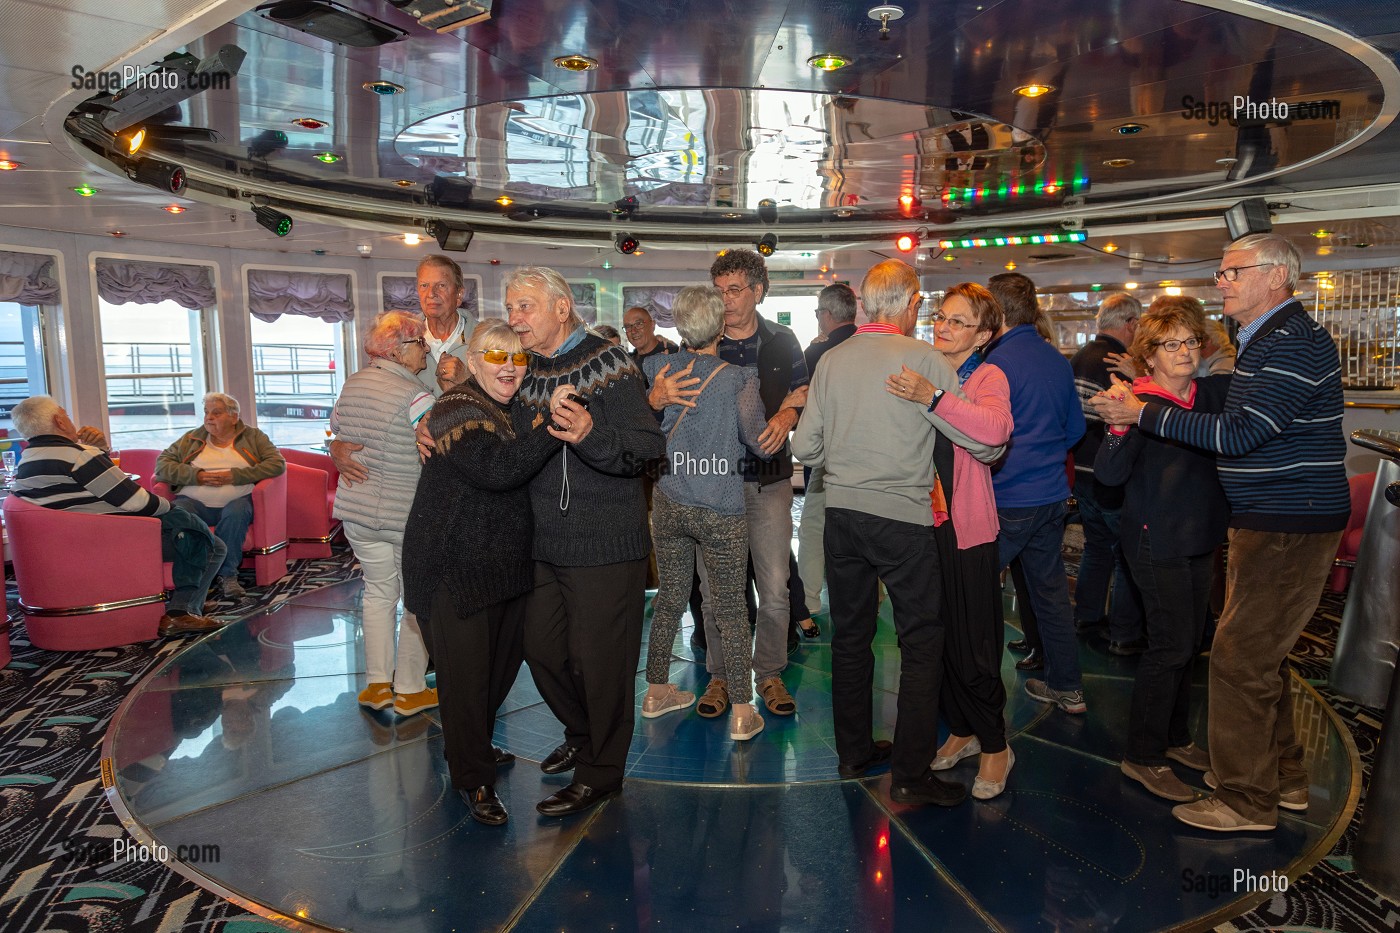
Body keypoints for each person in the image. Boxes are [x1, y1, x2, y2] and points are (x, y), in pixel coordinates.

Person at [1089, 233, 1349, 832]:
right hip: (1245, 525)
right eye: (1222, 271)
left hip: (1286, 520)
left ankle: (1247, 799)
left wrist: (1142, 412)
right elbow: (1115, 470)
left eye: (1233, 271)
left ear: (1276, 277)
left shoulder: (1284, 343)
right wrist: (1133, 414)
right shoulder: (1263, 345)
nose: (1222, 281)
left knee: (1237, 660)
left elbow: (1236, 436)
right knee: (1249, 656)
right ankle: (1274, 780)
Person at [792, 259, 1002, 807]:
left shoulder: (832, 361)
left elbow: (804, 450)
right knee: (921, 642)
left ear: (864, 304)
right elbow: (985, 445)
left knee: (853, 638)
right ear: (910, 305)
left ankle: (853, 751)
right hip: (903, 519)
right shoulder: (926, 361)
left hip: (841, 516)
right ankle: (911, 773)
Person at [402, 320, 578, 826]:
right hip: (451, 572)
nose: (508, 365)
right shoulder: (457, 407)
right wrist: (552, 428)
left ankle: (472, 745)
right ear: (472, 360)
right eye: (496, 356)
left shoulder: (511, 409)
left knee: (495, 674)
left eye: (517, 357)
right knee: (465, 680)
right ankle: (473, 778)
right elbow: (498, 470)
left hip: (500, 569)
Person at [506, 266, 666, 817]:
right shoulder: (527, 374)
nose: (514, 318)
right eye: (510, 308)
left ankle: (602, 771)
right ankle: (581, 730)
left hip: (604, 545)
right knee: (542, 648)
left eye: (525, 306)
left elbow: (648, 449)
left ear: (561, 307)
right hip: (544, 543)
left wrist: (591, 435)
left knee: (601, 664)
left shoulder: (610, 363)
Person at [650, 248, 807, 719]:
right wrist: (656, 399)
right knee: (716, 590)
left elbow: (803, 393)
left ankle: (770, 672)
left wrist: (789, 412)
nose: (726, 300)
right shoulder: (688, 354)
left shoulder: (783, 340)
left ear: (759, 292)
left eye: (735, 290)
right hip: (709, 488)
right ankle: (720, 676)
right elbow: (656, 416)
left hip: (767, 480)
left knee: (775, 585)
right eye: (719, 291)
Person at [1094, 296, 1229, 802]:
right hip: (1155, 539)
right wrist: (1117, 427)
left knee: (1188, 644)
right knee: (1168, 647)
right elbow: (1108, 475)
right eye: (1171, 344)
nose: (1184, 352)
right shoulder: (1137, 400)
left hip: (1198, 537)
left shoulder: (1206, 395)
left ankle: (1174, 738)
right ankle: (1142, 756)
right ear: (1148, 355)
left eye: (1191, 341)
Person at [884, 283, 1015, 799]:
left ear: (983, 334)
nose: (943, 326)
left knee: (974, 642)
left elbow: (993, 434)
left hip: (966, 529)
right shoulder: (922, 364)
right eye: (942, 316)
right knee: (932, 641)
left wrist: (933, 398)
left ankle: (996, 745)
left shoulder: (986, 375)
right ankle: (960, 728)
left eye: (959, 322)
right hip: (919, 524)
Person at [641, 285, 772, 741]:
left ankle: (656, 692)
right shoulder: (738, 379)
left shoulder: (655, 368)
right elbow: (758, 440)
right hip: (720, 506)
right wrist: (789, 413)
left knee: (672, 597)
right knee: (731, 609)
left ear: (679, 326)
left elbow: (644, 427)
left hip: (670, 502)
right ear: (720, 326)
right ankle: (741, 711)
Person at [9, 395, 226, 636]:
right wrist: (170, 507)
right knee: (209, 542)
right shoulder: (78, 455)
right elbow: (137, 502)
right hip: (108, 544)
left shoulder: (28, 460)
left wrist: (99, 451)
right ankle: (182, 612)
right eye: (66, 415)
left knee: (187, 528)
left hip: (68, 545)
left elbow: (89, 491)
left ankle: (190, 601)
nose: (70, 420)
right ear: (60, 421)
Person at [984, 272, 1087, 714]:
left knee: (970, 591)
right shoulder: (1056, 359)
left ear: (998, 314)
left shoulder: (996, 364)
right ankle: (1068, 687)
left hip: (1007, 497)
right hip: (1051, 495)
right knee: (1050, 597)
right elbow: (1076, 429)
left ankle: (974, 695)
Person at [330, 312, 437, 718]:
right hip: (405, 515)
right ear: (400, 349)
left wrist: (337, 450)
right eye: (421, 344)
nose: (426, 350)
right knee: (415, 601)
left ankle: (377, 684)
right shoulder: (416, 396)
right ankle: (409, 689)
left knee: (377, 594)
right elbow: (436, 453)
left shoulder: (352, 383)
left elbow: (338, 431)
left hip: (356, 511)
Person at [330, 255, 475, 485]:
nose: (431, 293)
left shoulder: (487, 340)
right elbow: (364, 411)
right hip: (407, 480)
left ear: (459, 294)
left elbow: (508, 413)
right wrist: (336, 446)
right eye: (424, 285)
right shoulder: (400, 338)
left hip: (469, 472)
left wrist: (469, 383)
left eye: (441, 285)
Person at [1069, 292, 1145, 654]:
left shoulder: (1080, 356)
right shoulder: (1119, 362)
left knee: (1095, 547)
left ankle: (1085, 615)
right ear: (1129, 324)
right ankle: (1123, 633)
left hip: (1081, 469)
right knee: (1125, 554)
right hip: (1110, 470)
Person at [156, 392, 285, 600]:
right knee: (180, 512)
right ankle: (194, 579)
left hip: (236, 501)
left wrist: (235, 476)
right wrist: (198, 476)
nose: (209, 417)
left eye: (216, 413)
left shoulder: (253, 437)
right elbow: (162, 466)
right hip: (194, 501)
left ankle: (227, 576)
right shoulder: (191, 439)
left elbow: (276, 464)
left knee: (237, 511)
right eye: (207, 412)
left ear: (234, 417)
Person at [797, 282, 858, 619]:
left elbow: (804, 407)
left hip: (825, 456)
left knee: (814, 527)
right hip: (866, 456)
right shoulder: (870, 346)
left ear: (827, 314)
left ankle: (808, 599)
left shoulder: (817, 354)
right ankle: (872, 596)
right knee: (863, 526)